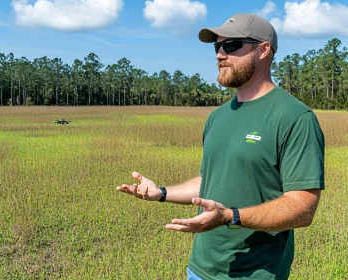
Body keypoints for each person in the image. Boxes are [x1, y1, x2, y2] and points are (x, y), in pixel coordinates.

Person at [116, 13, 325, 280]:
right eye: (217, 46)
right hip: (201, 268)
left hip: (256, 274)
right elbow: (210, 181)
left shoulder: (294, 118)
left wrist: (230, 216)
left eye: (232, 45)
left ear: (263, 50)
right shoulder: (217, 117)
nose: (219, 55)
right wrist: (162, 193)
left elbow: (302, 207)